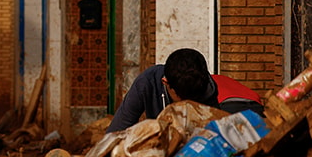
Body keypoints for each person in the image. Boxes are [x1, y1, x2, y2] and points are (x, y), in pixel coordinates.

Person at [107, 47, 263, 133]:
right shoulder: (148, 83)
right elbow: (115, 133)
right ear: (166, 83)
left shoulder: (232, 104)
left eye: (195, 99)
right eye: (183, 99)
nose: (188, 107)